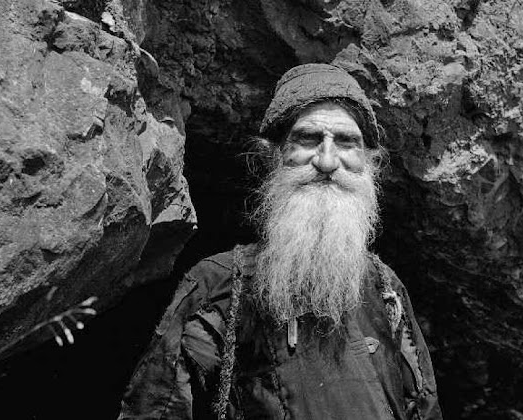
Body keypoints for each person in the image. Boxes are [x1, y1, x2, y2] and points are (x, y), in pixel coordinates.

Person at [118, 63, 442, 420]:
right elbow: (157, 409)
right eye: (308, 139)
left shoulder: (385, 287)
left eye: (347, 142)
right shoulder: (219, 283)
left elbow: (423, 407)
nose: (327, 161)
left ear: (369, 163)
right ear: (272, 156)